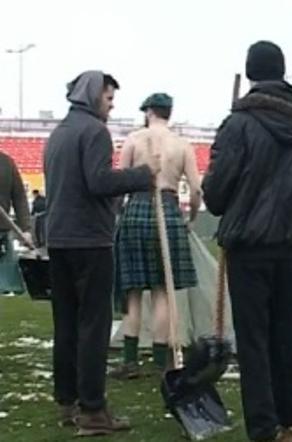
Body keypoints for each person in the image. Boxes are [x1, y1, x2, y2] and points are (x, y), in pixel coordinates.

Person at [201, 40, 292, 442]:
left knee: (253, 340)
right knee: (287, 334)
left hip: (249, 244)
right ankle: (290, 422)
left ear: (251, 73)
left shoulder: (238, 125)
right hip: (287, 242)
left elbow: (215, 196)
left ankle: (264, 427)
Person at [44, 70, 158, 435]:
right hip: (90, 242)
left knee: (66, 325)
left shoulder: (59, 133)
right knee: (93, 327)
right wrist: (141, 175)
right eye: (109, 98)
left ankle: (68, 401)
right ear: (94, 95)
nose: (112, 105)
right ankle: (93, 410)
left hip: (59, 241)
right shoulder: (94, 132)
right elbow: (98, 182)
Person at [109, 93, 201, 379]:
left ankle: (130, 361)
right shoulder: (182, 144)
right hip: (170, 210)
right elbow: (196, 190)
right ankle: (162, 360)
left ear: (149, 112)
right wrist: (192, 218)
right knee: (163, 291)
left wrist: (117, 216)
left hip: (136, 210)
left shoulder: (134, 140)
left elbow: (120, 182)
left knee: (132, 292)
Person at [0, 151, 32, 293]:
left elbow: (19, 198)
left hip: (3, 234)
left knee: (10, 289)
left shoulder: (6, 163)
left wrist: (26, 229)